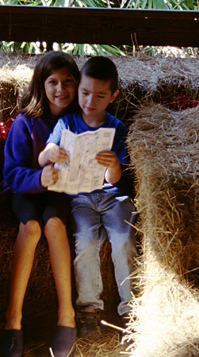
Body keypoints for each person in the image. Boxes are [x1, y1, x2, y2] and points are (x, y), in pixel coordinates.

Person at [39, 56, 136, 338]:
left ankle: (131, 312)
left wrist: (113, 166)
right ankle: (89, 311)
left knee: (123, 241)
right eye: (84, 93)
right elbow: (44, 155)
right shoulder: (67, 123)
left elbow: (116, 181)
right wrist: (50, 155)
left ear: (113, 96)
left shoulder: (117, 128)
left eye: (100, 96)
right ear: (79, 87)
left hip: (112, 197)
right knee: (85, 243)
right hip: (80, 198)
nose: (90, 101)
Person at [0, 51, 80, 357]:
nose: (61, 89)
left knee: (56, 226)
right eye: (53, 82)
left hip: (58, 194)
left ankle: (66, 315)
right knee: (31, 228)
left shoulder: (79, 123)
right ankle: (13, 320)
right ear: (41, 85)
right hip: (25, 190)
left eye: (68, 82)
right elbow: (11, 173)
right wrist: (40, 178)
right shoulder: (26, 123)